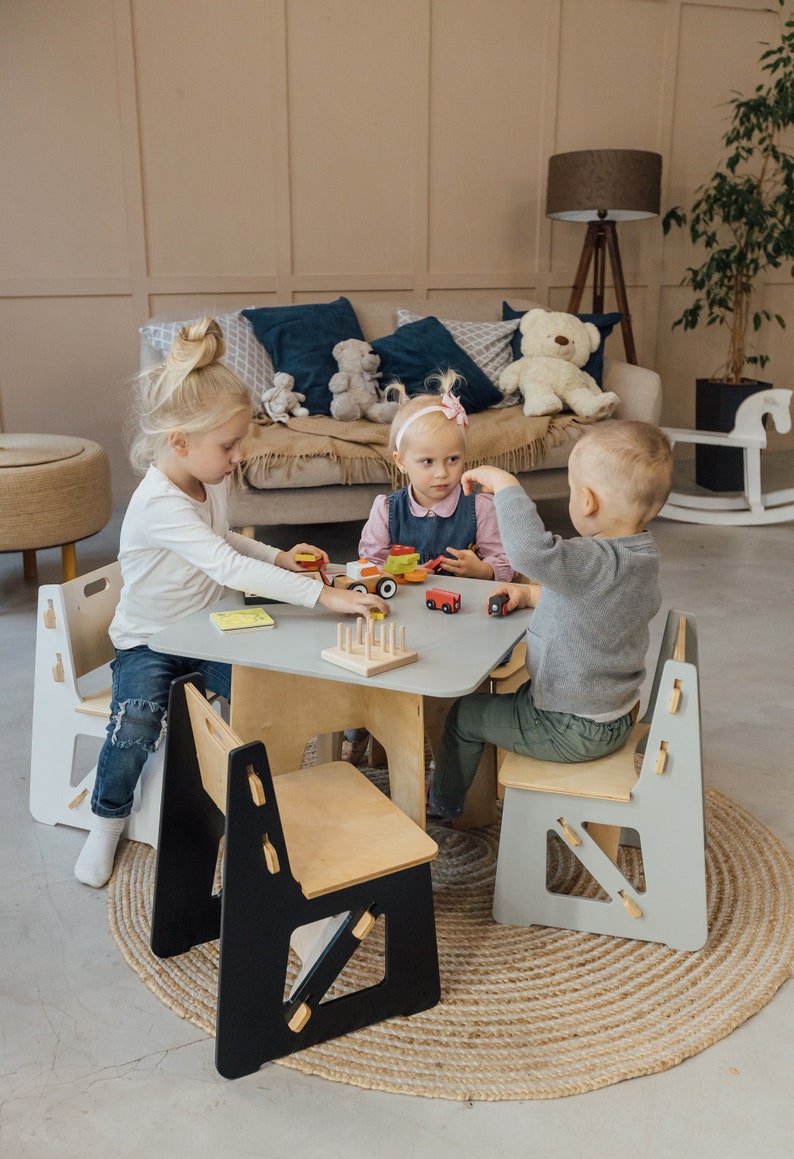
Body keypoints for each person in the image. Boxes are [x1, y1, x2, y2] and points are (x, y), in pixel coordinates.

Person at [75, 318, 389, 888]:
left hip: (208, 632)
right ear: (179, 442)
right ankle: (106, 820)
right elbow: (225, 565)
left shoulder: (210, 479)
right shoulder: (158, 503)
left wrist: (280, 558)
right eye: (228, 445)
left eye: (239, 442)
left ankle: (263, 798)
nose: (239, 455)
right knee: (137, 723)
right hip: (151, 643)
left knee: (267, 694)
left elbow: (224, 542)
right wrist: (323, 594)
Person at [427, 418, 674, 821]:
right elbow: (593, 603)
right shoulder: (640, 555)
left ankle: (443, 804)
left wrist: (506, 486)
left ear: (587, 501)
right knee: (507, 698)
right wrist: (528, 594)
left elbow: (530, 552)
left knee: (465, 715)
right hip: (613, 712)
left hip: (570, 725)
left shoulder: (589, 559)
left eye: (573, 491)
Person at [342, 370, 514, 764]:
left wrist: (483, 571)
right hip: (401, 619)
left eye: (453, 459)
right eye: (427, 462)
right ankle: (361, 727)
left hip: (460, 623)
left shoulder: (480, 507)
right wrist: (385, 574)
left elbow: (506, 564)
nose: (442, 472)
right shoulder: (387, 509)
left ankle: (449, 739)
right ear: (401, 462)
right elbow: (368, 563)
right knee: (369, 665)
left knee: (451, 682)